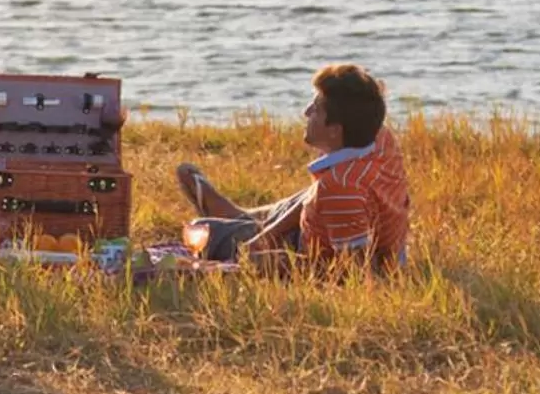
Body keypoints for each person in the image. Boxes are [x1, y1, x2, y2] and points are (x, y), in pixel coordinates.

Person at [174, 64, 410, 271]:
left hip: (309, 242)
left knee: (200, 231)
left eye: (316, 109)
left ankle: (242, 222)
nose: (306, 112)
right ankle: (246, 218)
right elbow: (322, 192)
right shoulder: (377, 137)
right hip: (326, 225)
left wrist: (280, 263)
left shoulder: (341, 188)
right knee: (307, 199)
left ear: (335, 130)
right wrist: (266, 237)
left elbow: (355, 272)